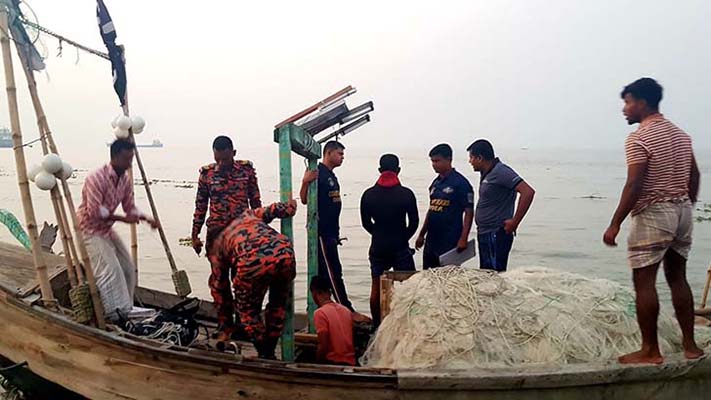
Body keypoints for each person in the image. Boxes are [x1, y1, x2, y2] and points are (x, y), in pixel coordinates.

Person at [603, 77, 703, 364]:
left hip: (654, 211)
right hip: (682, 208)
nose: (624, 109)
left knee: (644, 281)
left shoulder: (639, 138)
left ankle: (650, 350)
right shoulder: (681, 135)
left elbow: (634, 184)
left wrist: (615, 223)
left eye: (628, 102)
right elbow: (694, 176)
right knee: (678, 277)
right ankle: (690, 346)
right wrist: (685, 204)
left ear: (642, 103)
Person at [77, 139, 158, 320]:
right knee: (110, 270)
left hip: (106, 229)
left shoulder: (125, 180)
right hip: (88, 230)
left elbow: (130, 208)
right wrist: (123, 219)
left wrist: (146, 218)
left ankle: (125, 308)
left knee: (128, 268)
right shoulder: (96, 178)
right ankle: (113, 314)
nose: (130, 163)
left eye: (131, 159)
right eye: (127, 159)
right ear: (115, 157)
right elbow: (95, 211)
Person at [209, 201, 297, 359]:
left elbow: (220, 289)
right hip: (285, 253)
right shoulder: (248, 215)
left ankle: (265, 352)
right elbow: (274, 209)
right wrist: (290, 206)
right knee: (278, 303)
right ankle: (270, 345)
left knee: (247, 310)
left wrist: (226, 325)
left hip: (253, 260)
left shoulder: (217, 245)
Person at [191, 135, 261, 334]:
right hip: (217, 236)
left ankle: (244, 323)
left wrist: (260, 232)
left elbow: (256, 203)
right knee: (219, 283)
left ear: (234, 153)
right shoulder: (207, 174)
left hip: (242, 235)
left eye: (225, 159)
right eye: (217, 159)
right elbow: (200, 206)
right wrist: (195, 235)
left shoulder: (246, 171)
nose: (221, 163)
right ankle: (225, 325)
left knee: (243, 280)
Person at [360, 154, 418, 326]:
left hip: (378, 246)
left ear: (379, 170)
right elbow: (414, 222)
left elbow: (365, 223)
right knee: (409, 288)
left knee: (376, 288)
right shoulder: (406, 194)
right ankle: (408, 324)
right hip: (400, 246)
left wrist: (378, 234)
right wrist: (403, 236)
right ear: (398, 170)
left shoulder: (368, 195)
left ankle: (377, 327)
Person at [300, 141, 355, 312]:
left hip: (331, 232)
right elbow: (304, 200)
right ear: (329, 153)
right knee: (333, 273)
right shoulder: (318, 173)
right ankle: (346, 309)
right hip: (323, 233)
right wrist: (305, 182)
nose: (342, 158)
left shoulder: (331, 175)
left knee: (329, 273)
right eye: (339, 154)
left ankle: (332, 310)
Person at [467, 140, 535, 272]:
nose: (470, 161)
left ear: (480, 158)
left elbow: (528, 192)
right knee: (486, 274)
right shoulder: (488, 173)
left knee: (496, 274)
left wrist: (515, 221)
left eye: (471, 157)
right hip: (485, 232)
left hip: (496, 233)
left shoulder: (501, 171)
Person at [415, 144, 474, 269]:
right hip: (432, 239)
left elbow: (469, 212)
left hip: (450, 240)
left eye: (437, 161)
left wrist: (464, 238)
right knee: (428, 276)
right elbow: (431, 210)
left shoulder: (461, 183)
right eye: (432, 161)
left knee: (448, 278)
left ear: (449, 160)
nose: (434, 164)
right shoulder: (435, 184)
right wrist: (421, 234)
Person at [310, 276, 356, 366]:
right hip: (351, 360)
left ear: (315, 294)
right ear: (330, 292)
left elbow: (324, 346)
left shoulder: (320, 313)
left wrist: (317, 363)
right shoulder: (346, 310)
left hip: (333, 361)